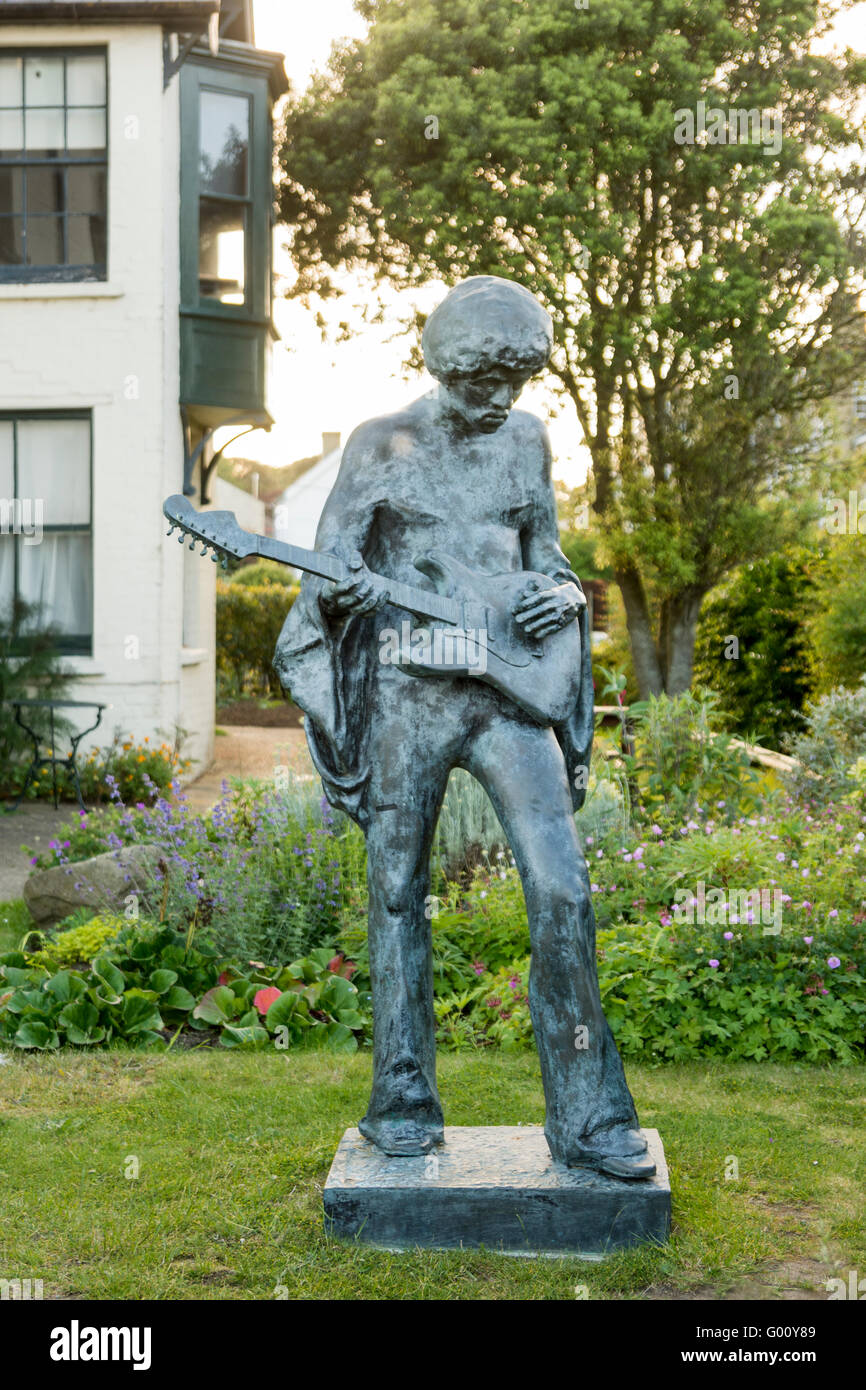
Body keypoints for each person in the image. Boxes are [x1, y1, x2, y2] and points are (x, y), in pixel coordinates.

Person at [274, 276, 655, 1179]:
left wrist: (558, 596)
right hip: (410, 691)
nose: (499, 402)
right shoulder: (382, 444)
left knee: (561, 886)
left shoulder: (529, 441)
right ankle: (401, 1102)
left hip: (507, 692)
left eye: (515, 383)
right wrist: (345, 592)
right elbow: (330, 574)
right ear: (445, 365)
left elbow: (550, 562)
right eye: (482, 382)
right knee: (398, 891)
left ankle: (592, 1117)